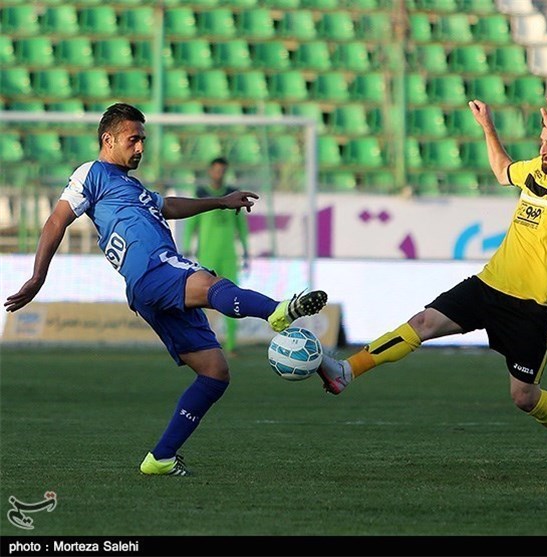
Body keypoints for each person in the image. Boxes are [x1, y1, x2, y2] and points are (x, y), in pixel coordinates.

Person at [3, 103, 328, 476]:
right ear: (107, 139)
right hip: (153, 268)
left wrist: (220, 202)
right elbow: (57, 219)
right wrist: (38, 276)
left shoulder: (131, 185)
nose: (140, 147)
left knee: (214, 372)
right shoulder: (92, 173)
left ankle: (161, 457)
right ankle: (277, 310)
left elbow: (167, 206)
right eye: (133, 139)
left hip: (148, 289)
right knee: (209, 283)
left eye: (143, 139)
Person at [317, 95, 547, 479]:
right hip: (489, 285)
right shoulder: (535, 171)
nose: (543, 147)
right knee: (423, 323)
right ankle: (345, 371)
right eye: (542, 140)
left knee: (523, 397)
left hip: (531, 307)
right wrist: (488, 127)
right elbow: (503, 171)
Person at [183, 157, 249, 357]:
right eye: (216, 170)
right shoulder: (202, 196)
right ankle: (200, 343)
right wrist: (186, 247)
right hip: (207, 255)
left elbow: (241, 227)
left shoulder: (233, 197)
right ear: (210, 172)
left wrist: (245, 249)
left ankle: (231, 344)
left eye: (222, 170)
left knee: (233, 298)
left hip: (228, 256)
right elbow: (191, 224)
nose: (219, 174)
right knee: (198, 300)